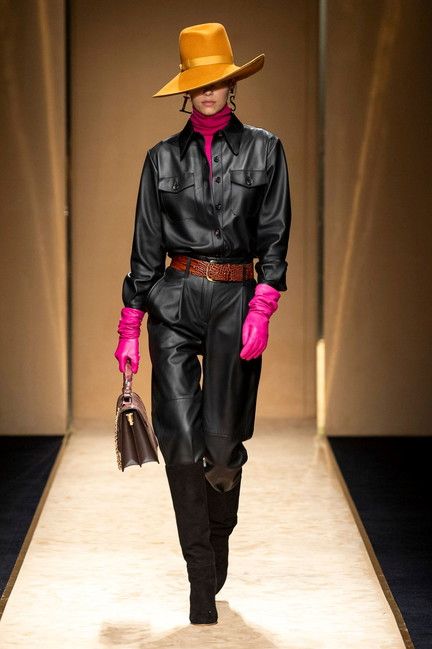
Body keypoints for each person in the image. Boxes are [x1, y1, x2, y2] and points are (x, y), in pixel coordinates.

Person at [114, 22, 292, 625]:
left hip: (236, 297)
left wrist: (263, 304)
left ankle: (216, 543)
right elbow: (145, 247)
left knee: (221, 443)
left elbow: (274, 234)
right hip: (174, 297)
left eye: (217, 80)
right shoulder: (160, 158)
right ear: (187, 90)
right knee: (181, 440)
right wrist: (129, 325)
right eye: (198, 82)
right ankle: (199, 578)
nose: (209, 90)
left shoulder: (266, 150)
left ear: (231, 84)